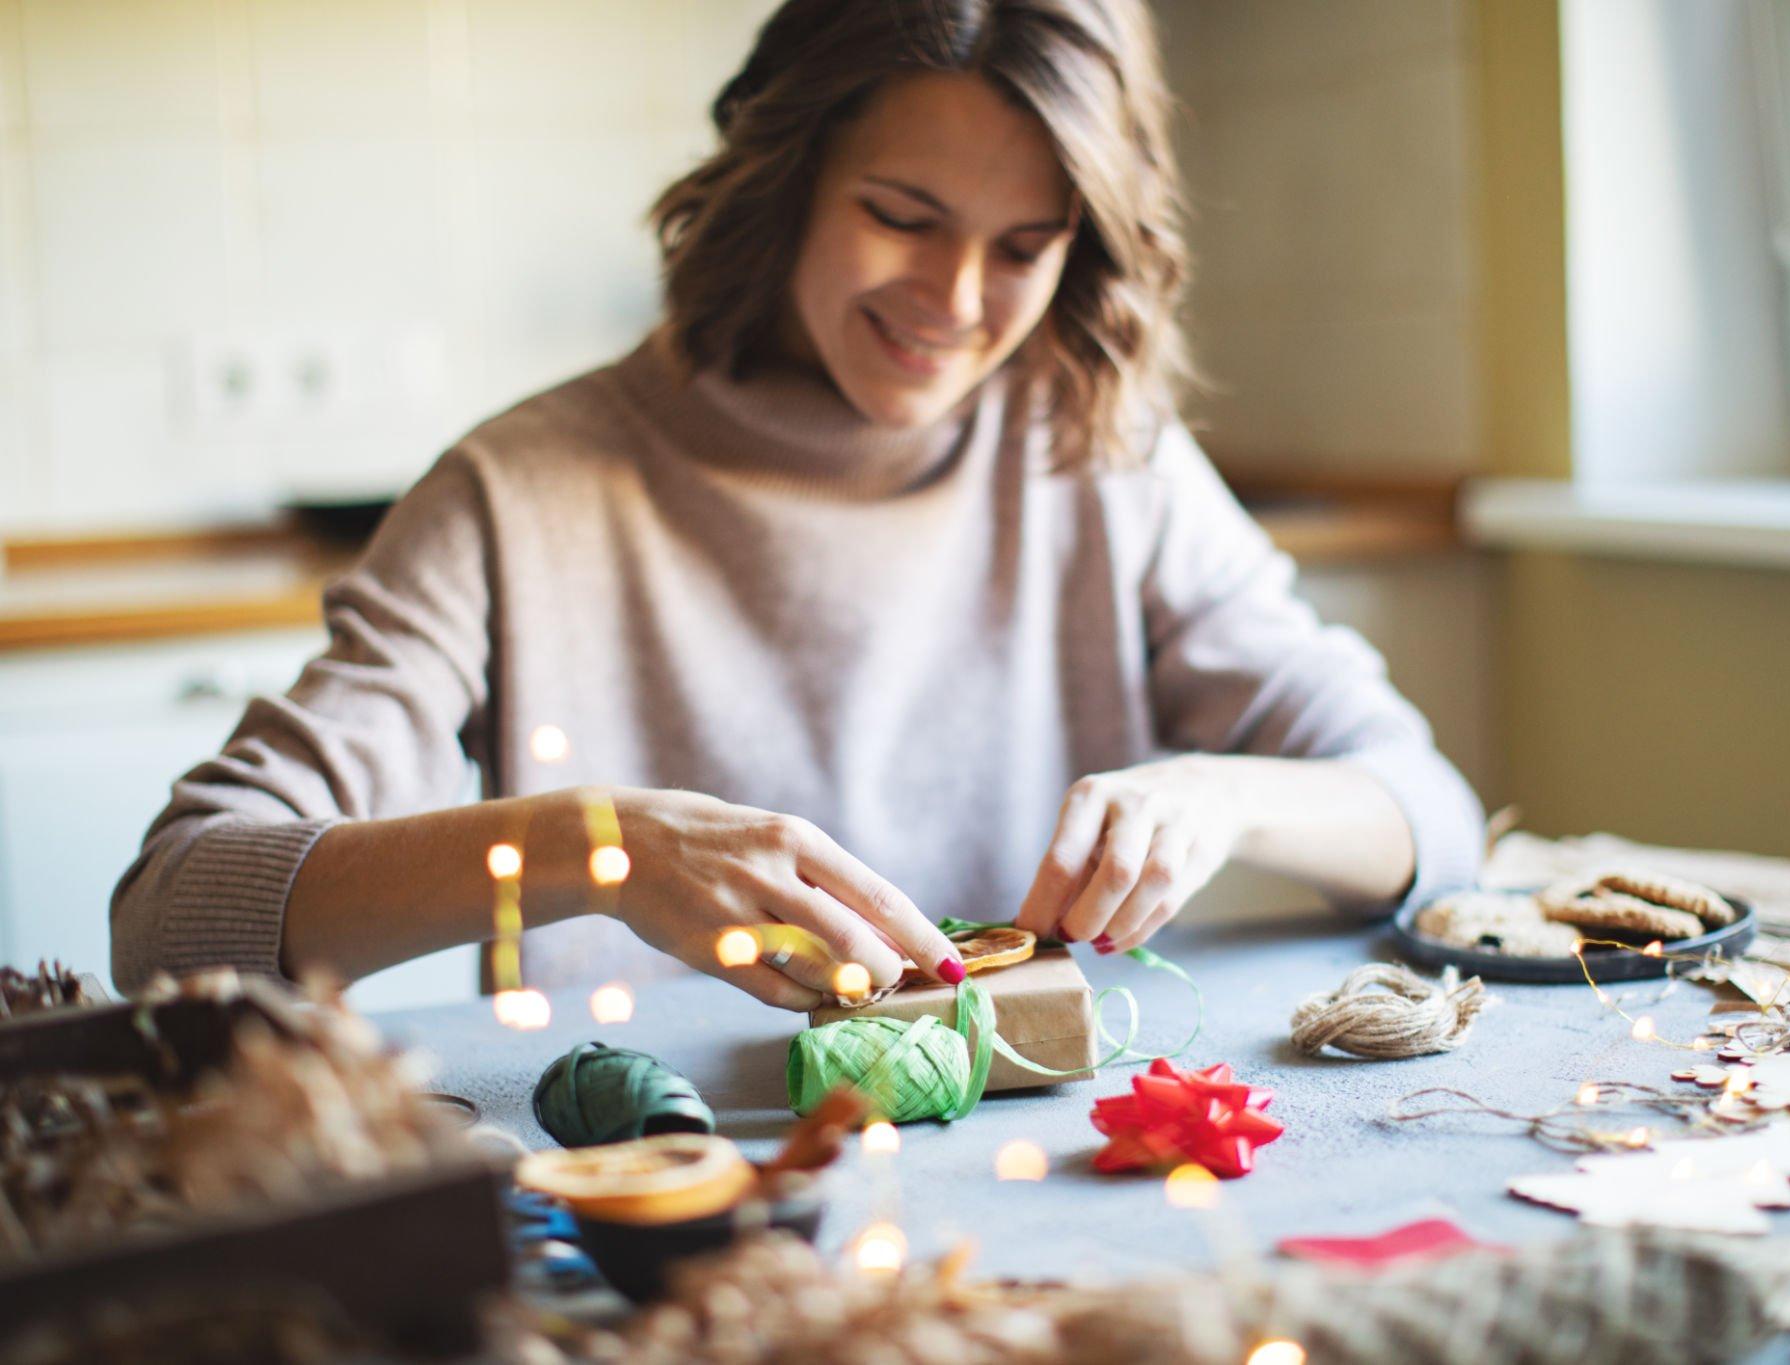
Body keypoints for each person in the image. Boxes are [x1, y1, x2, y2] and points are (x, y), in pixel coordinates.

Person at [110, 0, 1484, 1011]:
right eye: (902, 212)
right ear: (785, 186)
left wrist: (1224, 796)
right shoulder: (517, 492)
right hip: (661, 1196)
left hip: (1054, 1174)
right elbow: (170, 915)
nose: (954, 307)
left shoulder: (1097, 453)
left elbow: (1433, 816)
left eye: (1021, 248)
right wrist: (601, 848)